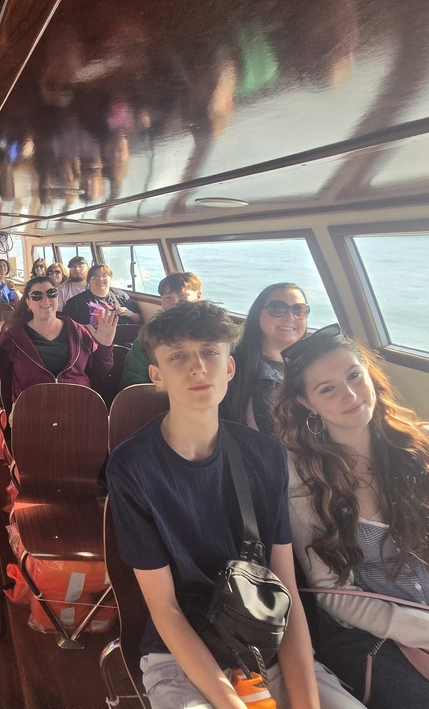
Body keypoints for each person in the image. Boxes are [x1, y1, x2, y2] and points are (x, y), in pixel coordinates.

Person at [105, 302, 363, 709]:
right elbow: (165, 607)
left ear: (229, 367)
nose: (197, 367)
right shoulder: (132, 466)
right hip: (182, 654)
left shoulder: (265, 455)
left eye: (210, 352)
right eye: (178, 356)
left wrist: (306, 701)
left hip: (263, 635)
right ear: (157, 376)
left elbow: (285, 586)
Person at [273, 325, 429, 708]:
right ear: (307, 403)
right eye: (328, 389)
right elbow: (334, 596)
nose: (351, 395)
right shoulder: (303, 482)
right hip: (390, 636)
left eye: (354, 376)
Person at [0, 275, 118, 408]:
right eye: (37, 295)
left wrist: (105, 347)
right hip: (32, 407)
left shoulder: (79, 332)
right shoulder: (14, 337)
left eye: (51, 293)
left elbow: (99, 376)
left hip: (77, 404)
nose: (45, 299)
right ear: (28, 303)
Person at [223, 283, 309, 438]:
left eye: (299, 310)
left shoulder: (313, 367)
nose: (290, 317)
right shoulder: (232, 369)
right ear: (257, 314)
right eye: (278, 309)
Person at [120, 272, 203, 389]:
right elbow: (134, 384)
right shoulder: (149, 337)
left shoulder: (214, 332)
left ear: (198, 296)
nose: (175, 303)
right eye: (168, 298)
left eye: (183, 296)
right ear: (161, 301)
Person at [62, 263, 142, 330]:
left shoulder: (122, 296)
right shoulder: (74, 303)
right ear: (88, 281)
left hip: (123, 343)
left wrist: (131, 314)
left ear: (111, 279)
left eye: (105, 275)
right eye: (95, 276)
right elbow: (68, 329)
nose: (100, 279)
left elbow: (139, 319)